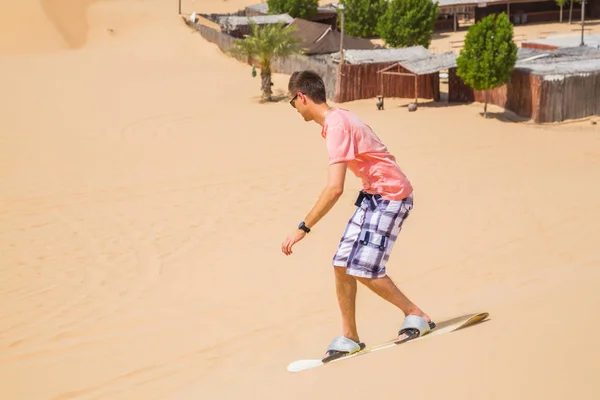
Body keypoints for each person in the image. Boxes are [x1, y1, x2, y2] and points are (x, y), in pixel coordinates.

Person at [281, 70, 435, 362]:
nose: (295, 108)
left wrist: (303, 228)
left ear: (301, 97)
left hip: (391, 196)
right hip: (372, 197)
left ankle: (417, 315)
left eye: (292, 102)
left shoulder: (337, 125)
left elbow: (334, 189)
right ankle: (350, 337)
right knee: (341, 264)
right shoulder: (337, 121)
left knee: (365, 269)